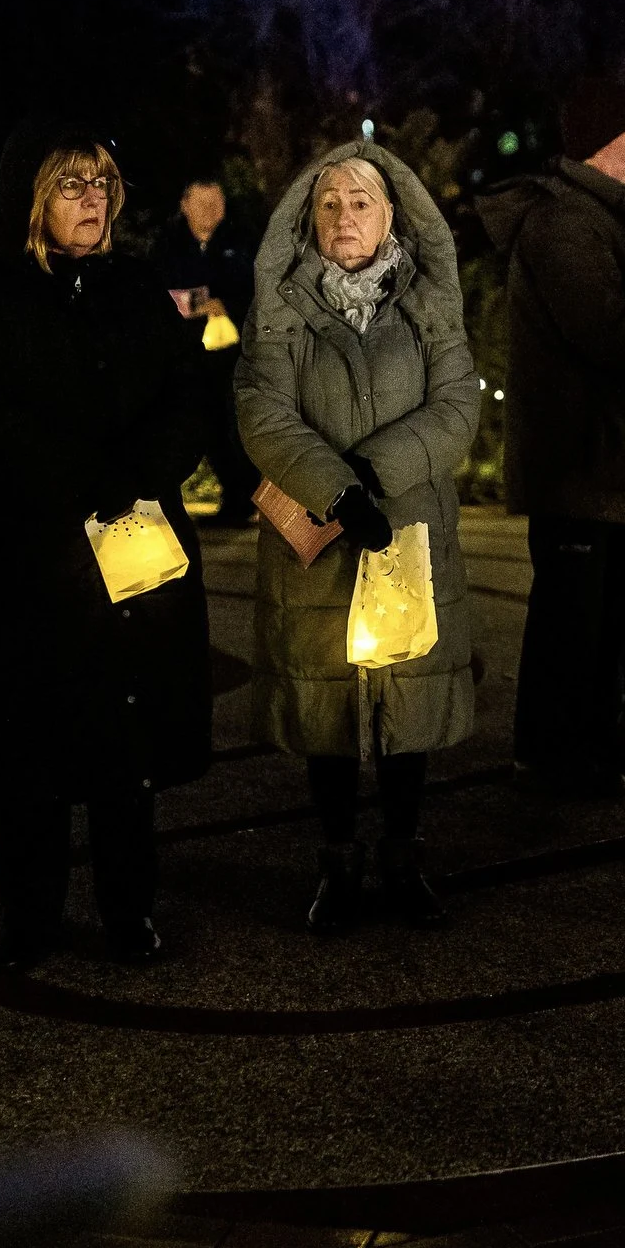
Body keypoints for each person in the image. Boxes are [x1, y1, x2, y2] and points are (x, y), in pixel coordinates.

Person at [0, 127, 210, 971]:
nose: (93, 197)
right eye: (72, 183)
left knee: (129, 746)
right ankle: (30, 909)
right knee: (32, 746)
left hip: (130, 554)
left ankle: (131, 908)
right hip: (26, 556)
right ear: (32, 198)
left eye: (103, 182)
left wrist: (141, 470)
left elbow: (187, 395)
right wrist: (83, 477)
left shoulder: (135, 288)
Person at [236, 144, 480, 932]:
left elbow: (456, 407)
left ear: (393, 213)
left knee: (408, 695)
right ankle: (337, 863)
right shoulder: (281, 302)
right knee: (327, 704)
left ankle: (404, 858)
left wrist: (375, 474)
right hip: (319, 530)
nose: (346, 216)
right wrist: (336, 489)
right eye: (331, 202)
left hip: (408, 526)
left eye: (363, 202)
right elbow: (262, 409)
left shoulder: (432, 302)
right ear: (309, 215)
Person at [476, 78, 625, 794]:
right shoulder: (568, 224)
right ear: (600, 144)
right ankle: (551, 756)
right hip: (581, 458)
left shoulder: (598, 216)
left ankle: (582, 748)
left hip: (606, 455)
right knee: (572, 620)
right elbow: (607, 334)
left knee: (594, 618)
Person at [152, 177, 263, 527]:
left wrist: (225, 303)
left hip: (233, 353)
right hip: (189, 353)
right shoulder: (168, 245)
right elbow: (157, 292)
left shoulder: (240, 241)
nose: (210, 213)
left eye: (216, 205)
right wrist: (196, 305)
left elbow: (255, 290)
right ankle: (230, 497)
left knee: (236, 426)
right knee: (205, 426)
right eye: (201, 205)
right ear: (185, 205)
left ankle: (244, 498)